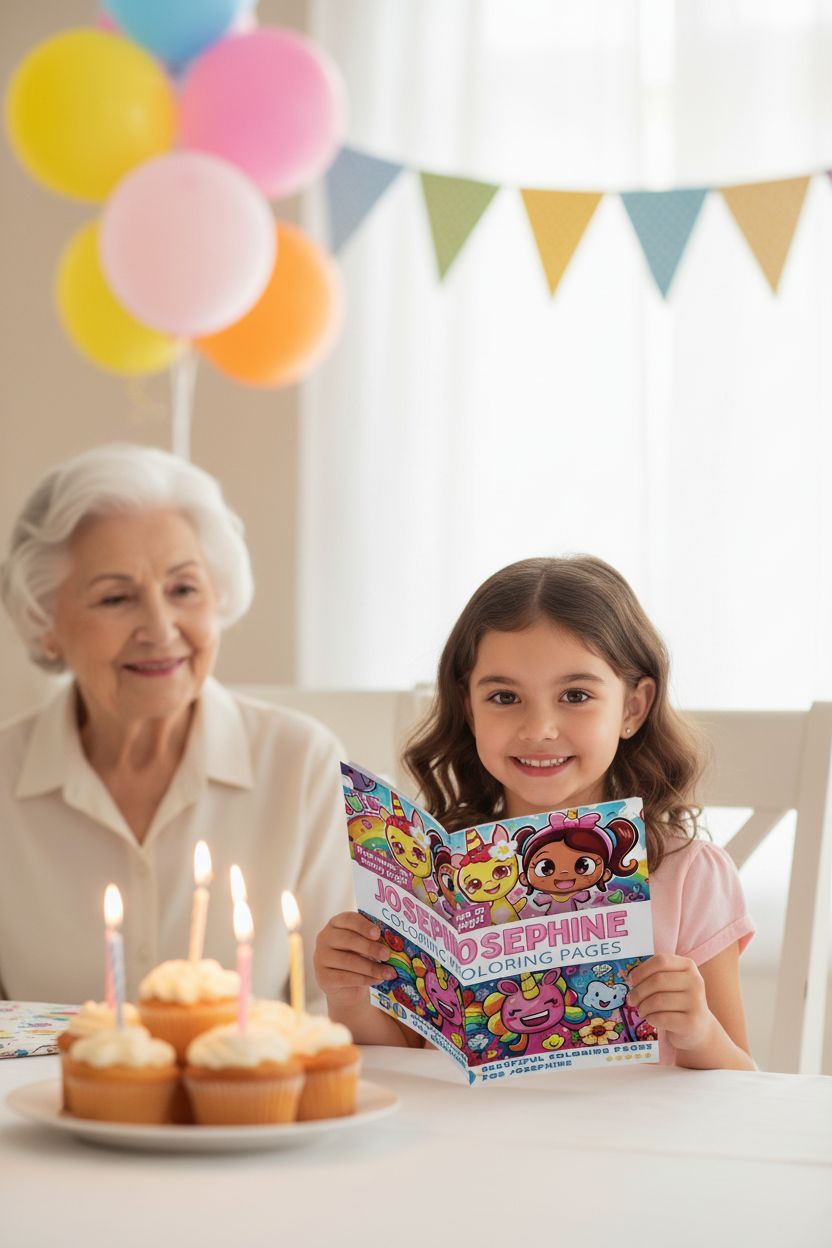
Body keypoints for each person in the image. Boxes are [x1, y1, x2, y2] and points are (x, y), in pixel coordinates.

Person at [315, 555, 756, 1070]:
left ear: (633, 707)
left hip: (636, 1125)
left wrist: (699, 1030)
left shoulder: (690, 877)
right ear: (468, 706)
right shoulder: (435, 877)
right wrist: (348, 997)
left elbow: (743, 1081)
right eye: (505, 697)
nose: (539, 728)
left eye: (576, 695)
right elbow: (408, 1059)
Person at [0, 444, 352, 1011]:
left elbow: (340, 1008)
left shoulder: (302, 764)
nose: (160, 629)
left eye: (184, 589)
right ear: (45, 623)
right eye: (116, 598)